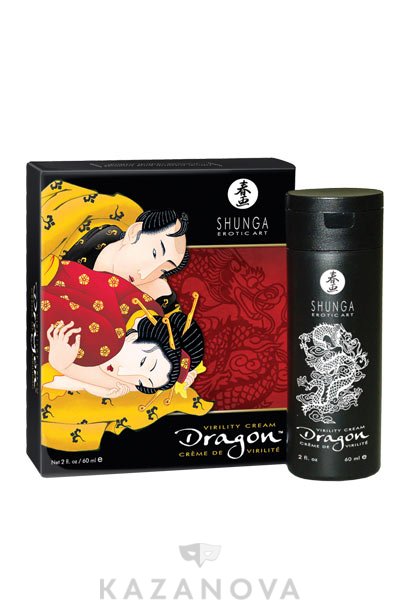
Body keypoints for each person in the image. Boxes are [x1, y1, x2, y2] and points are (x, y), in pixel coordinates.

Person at [41, 259, 204, 398]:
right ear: (134, 336)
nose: (123, 373)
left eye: (140, 382)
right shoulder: (107, 341)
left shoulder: (146, 308)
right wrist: (63, 366)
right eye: (143, 362)